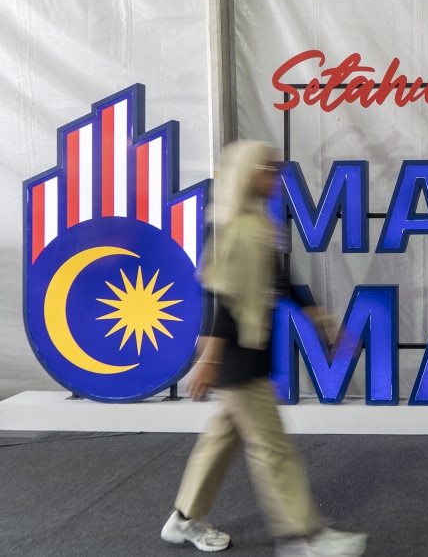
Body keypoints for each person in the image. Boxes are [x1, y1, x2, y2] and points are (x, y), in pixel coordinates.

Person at [160, 140, 367, 556]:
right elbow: (222, 299)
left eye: (277, 168)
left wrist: (321, 320)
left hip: (252, 352)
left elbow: (281, 283)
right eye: (267, 168)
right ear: (247, 174)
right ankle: (302, 536)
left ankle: (182, 519)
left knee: (222, 438)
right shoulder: (234, 227)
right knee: (273, 448)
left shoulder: (258, 224)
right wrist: (211, 359)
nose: (276, 176)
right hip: (237, 357)